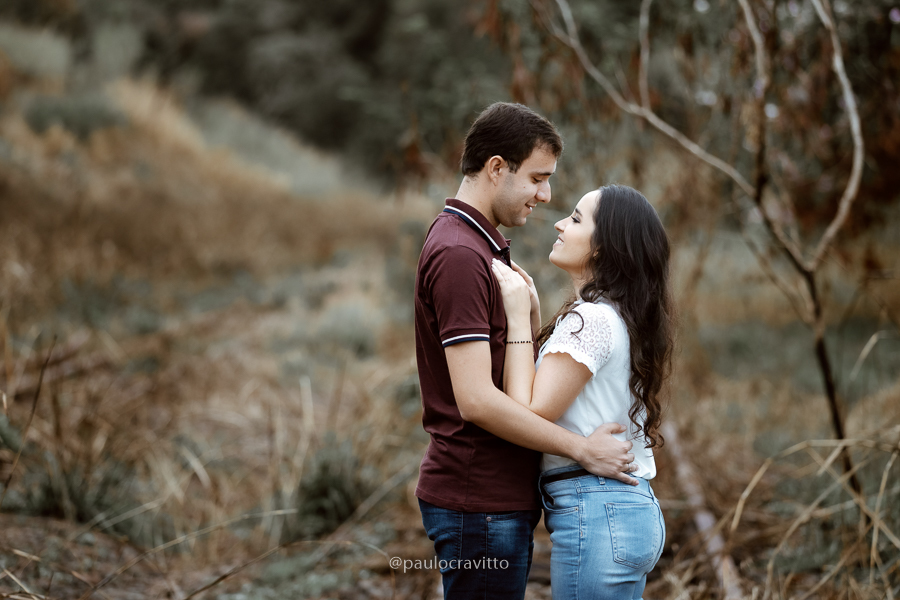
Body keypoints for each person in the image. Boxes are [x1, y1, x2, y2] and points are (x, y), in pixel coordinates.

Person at [414, 103, 640, 599]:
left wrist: (530, 323)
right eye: (538, 178)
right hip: (478, 503)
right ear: (497, 168)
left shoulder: (479, 246)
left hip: (493, 501)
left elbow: (503, 374)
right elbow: (475, 399)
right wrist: (582, 449)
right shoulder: (459, 254)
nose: (547, 195)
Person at [490, 184, 674, 600]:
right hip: (619, 511)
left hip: (599, 511)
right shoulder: (611, 316)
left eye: (575, 219)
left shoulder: (591, 319)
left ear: (604, 247)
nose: (559, 222)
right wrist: (536, 315)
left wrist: (518, 318)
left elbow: (529, 410)